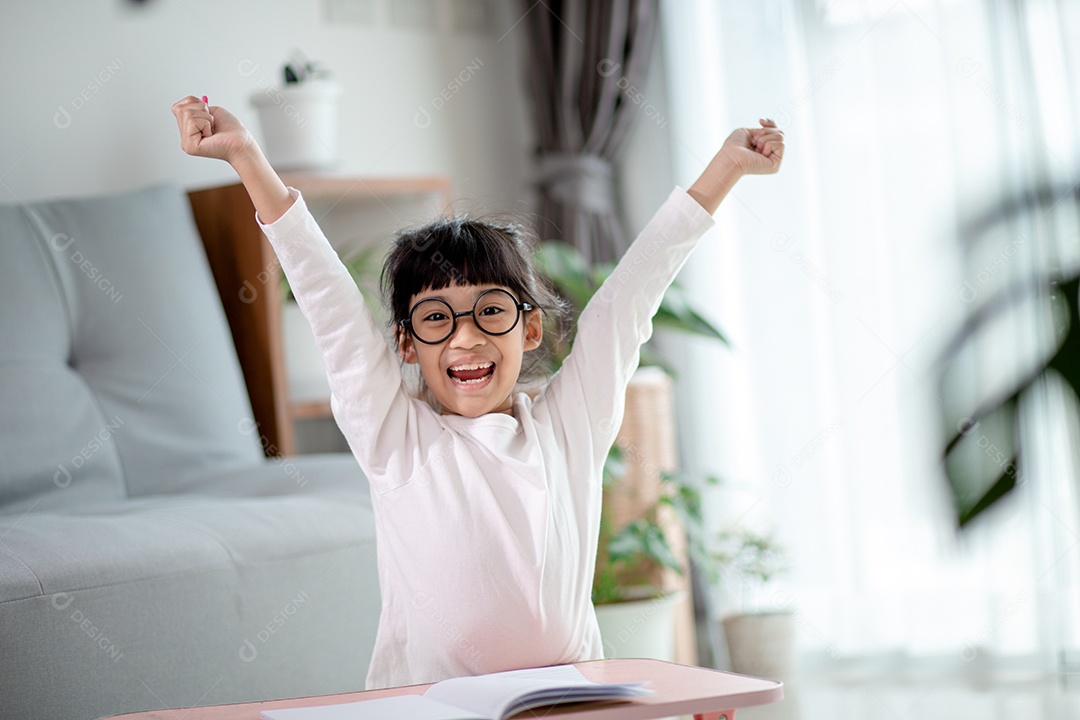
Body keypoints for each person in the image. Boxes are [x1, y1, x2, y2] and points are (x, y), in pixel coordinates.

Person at [171, 95, 784, 689]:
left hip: (569, 701)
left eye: (491, 311)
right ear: (406, 344)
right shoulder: (396, 437)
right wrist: (247, 157)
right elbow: (329, 303)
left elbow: (626, 305)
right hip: (429, 707)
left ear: (531, 328)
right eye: (437, 318)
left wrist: (726, 168)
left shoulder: (568, 427)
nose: (465, 337)